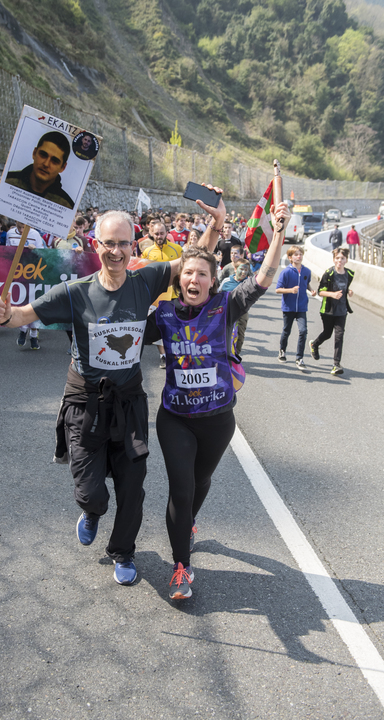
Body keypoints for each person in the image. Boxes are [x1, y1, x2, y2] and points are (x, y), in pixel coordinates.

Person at [0, 187, 226, 587]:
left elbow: (193, 262)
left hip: (129, 400)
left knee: (133, 486)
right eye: (109, 243)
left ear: (134, 245)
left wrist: (216, 225)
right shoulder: (74, 292)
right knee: (91, 491)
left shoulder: (145, 279)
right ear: (95, 245)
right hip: (85, 401)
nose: (116, 251)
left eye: (123, 244)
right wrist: (3, 313)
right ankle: (92, 511)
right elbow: (21, 315)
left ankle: (123, 552)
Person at [144, 200, 291, 599]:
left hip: (218, 419)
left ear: (213, 280)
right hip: (174, 418)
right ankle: (181, 567)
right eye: (188, 273)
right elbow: (126, 333)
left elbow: (263, 278)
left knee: (200, 481)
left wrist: (278, 233)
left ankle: (187, 524)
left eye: (202, 274)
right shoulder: (164, 315)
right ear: (180, 280)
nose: (194, 279)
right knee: (181, 489)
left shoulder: (226, 305)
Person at [142, 221, 182, 369]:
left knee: (175, 328)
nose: (159, 236)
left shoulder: (177, 249)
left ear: (166, 233)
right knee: (159, 326)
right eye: (156, 234)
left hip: (174, 295)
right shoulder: (147, 252)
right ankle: (163, 356)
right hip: (156, 297)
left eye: (162, 233)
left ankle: (176, 353)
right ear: (152, 234)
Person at [309, 247, 354, 376]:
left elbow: (345, 287)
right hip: (328, 310)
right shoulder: (329, 273)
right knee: (327, 333)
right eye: (337, 258)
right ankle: (314, 344)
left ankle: (336, 364)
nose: (340, 260)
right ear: (334, 259)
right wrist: (332, 294)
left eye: (342, 258)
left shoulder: (349, 274)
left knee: (339, 336)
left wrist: (349, 291)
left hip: (342, 311)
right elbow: (320, 291)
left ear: (346, 260)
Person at [5, 131, 75, 209]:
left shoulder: (66, 206)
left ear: (63, 167)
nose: (46, 164)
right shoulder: (6, 181)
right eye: (43, 155)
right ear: (34, 153)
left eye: (54, 161)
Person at [275, 246, 316, 370]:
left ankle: (299, 358)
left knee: (303, 331)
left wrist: (311, 290)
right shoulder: (286, 272)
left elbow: (306, 283)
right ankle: (282, 350)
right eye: (296, 254)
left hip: (302, 307)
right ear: (290, 257)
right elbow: (278, 289)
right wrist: (290, 290)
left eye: (300, 254)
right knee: (286, 331)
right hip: (288, 307)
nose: (299, 256)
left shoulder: (307, 271)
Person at [219, 259, 252, 357]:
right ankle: (223, 354)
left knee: (240, 334)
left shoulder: (248, 283)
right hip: (227, 311)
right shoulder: (226, 281)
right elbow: (218, 295)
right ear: (235, 269)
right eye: (241, 269)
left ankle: (236, 355)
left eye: (246, 270)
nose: (244, 272)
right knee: (224, 333)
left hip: (242, 312)